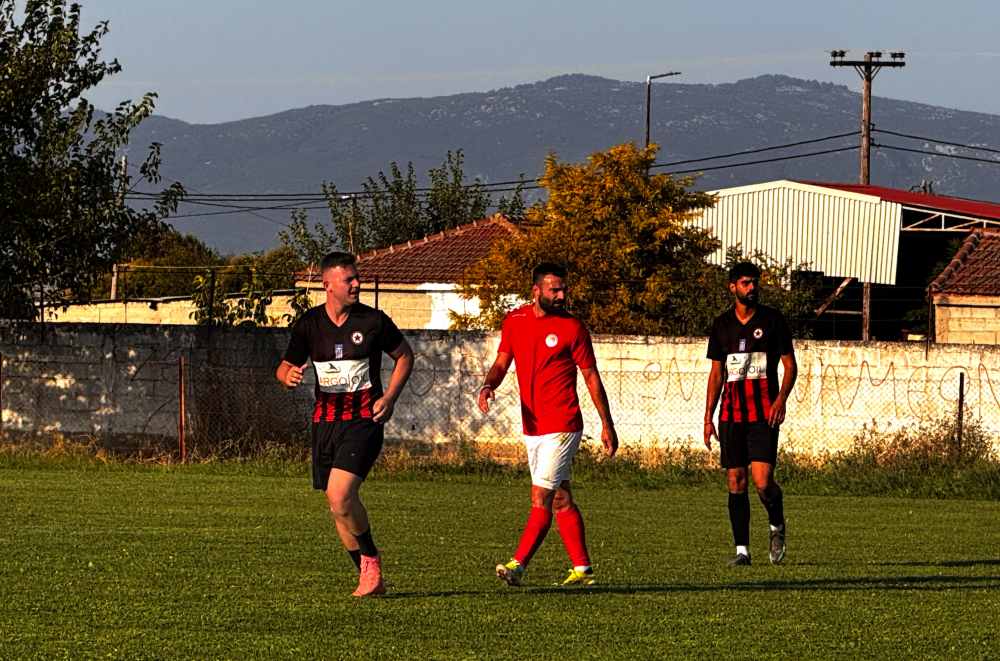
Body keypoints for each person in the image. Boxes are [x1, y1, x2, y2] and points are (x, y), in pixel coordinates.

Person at [277, 251, 414, 596]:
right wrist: (288, 374)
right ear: (327, 285)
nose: (356, 284)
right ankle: (370, 577)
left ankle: (371, 558)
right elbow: (283, 367)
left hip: (364, 420)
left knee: (341, 496)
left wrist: (391, 398)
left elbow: (405, 356)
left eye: (357, 278)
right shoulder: (309, 324)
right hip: (325, 422)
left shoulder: (373, 321)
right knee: (336, 506)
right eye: (348, 279)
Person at [479, 262, 618, 587]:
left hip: (564, 423)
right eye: (554, 289)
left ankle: (518, 565)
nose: (561, 295)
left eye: (564, 289)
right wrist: (489, 385)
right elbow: (502, 360)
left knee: (540, 496)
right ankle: (583, 569)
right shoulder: (514, 321)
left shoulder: (573, 328)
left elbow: (591, 377)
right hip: (533, 425)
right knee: (560, 498)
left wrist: (606, 423)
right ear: (536, 291)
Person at [703, 261, 798, 566]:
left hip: (763, 414)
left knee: (763, 482)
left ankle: (777, 525)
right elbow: (717, 374)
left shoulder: (773, 320)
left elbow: (790, 366)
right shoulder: (721, 325)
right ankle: (742, 551)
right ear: (732, 287)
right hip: (731, 415)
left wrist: (781, 399)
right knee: (735, 480)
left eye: (754, 282)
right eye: (745, 283)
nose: (752, 287)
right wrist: (708, 417)